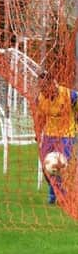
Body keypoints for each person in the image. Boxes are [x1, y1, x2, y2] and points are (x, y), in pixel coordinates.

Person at [36, 71, 78, 204]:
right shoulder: (40, 98)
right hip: (49, 134)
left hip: (67, 135)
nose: (43, 90)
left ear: (53, 84)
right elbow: (40, 118)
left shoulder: (69, 95)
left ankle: (57, 197)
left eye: (45, 86)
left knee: (59, 166)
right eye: (41, 87)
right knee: (46, 167)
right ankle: (57, 194)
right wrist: (37, 133)